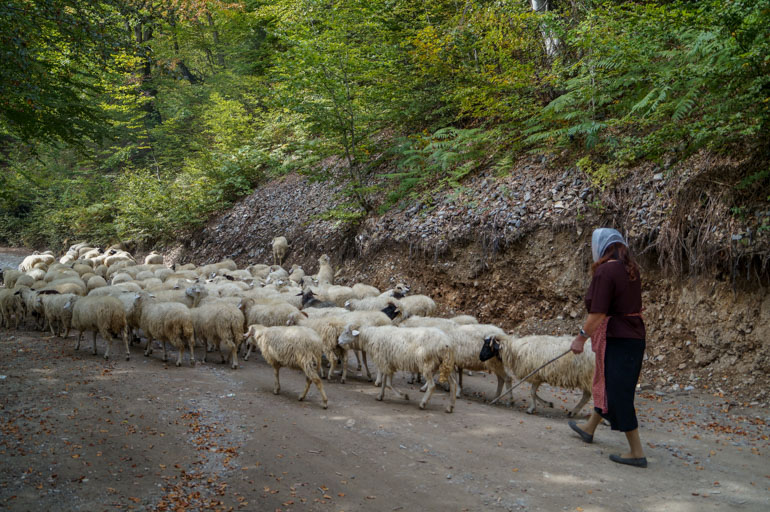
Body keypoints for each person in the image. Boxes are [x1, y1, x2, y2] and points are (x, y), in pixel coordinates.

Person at [567, 228, 648, 468]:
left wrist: (581, 337)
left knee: (618, 394)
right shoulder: (630, 269)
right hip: (634, 337)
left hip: (618, 337)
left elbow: (599, 312)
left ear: (600, 247)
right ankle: (589, 428)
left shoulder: (605, 271)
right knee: (609, 384)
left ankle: (636, 452)